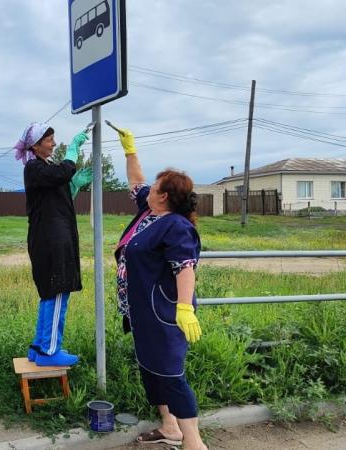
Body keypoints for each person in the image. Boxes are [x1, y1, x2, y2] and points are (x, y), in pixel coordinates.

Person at [112, 127, 207, 450]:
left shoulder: (176, 226)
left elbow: (185, 268)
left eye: (155, 185)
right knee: (151, 370)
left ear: (164, 195)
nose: (147, 188)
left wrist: (185, 308)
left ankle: (194, 443)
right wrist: (130, 150)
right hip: (141, 312)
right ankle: (170, 428)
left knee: (170, 375)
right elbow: (136, 182)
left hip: (162, 312)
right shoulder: (150, 211)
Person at [15, 122, 92, 367]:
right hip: (51, 239)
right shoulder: (34, 168)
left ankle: (39, 347)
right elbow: (62, 172)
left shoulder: (42, 168)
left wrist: (74, 185)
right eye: (49, 140)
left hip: (49, 237)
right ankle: (50, 351)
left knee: (49, 293)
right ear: (36, 146)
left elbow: (56, 196)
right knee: (59, 290)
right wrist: (73, 152)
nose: (54, 143)